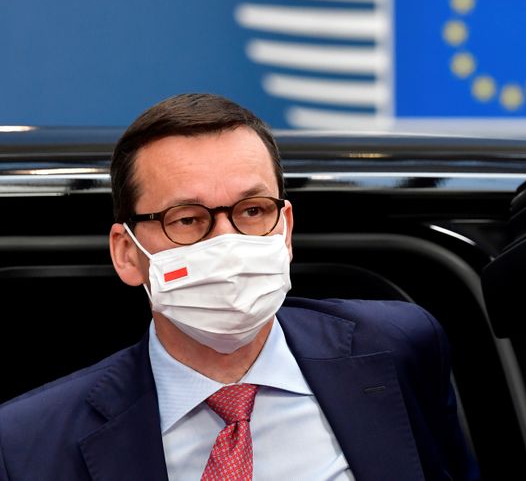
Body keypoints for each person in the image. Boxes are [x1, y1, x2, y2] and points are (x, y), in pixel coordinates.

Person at [0, 93, 479, 480]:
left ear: (285, 228)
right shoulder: (27, 443)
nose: (227, 243)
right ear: (127, 253)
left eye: (252, 211)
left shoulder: (400, 347)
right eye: (186, 219)